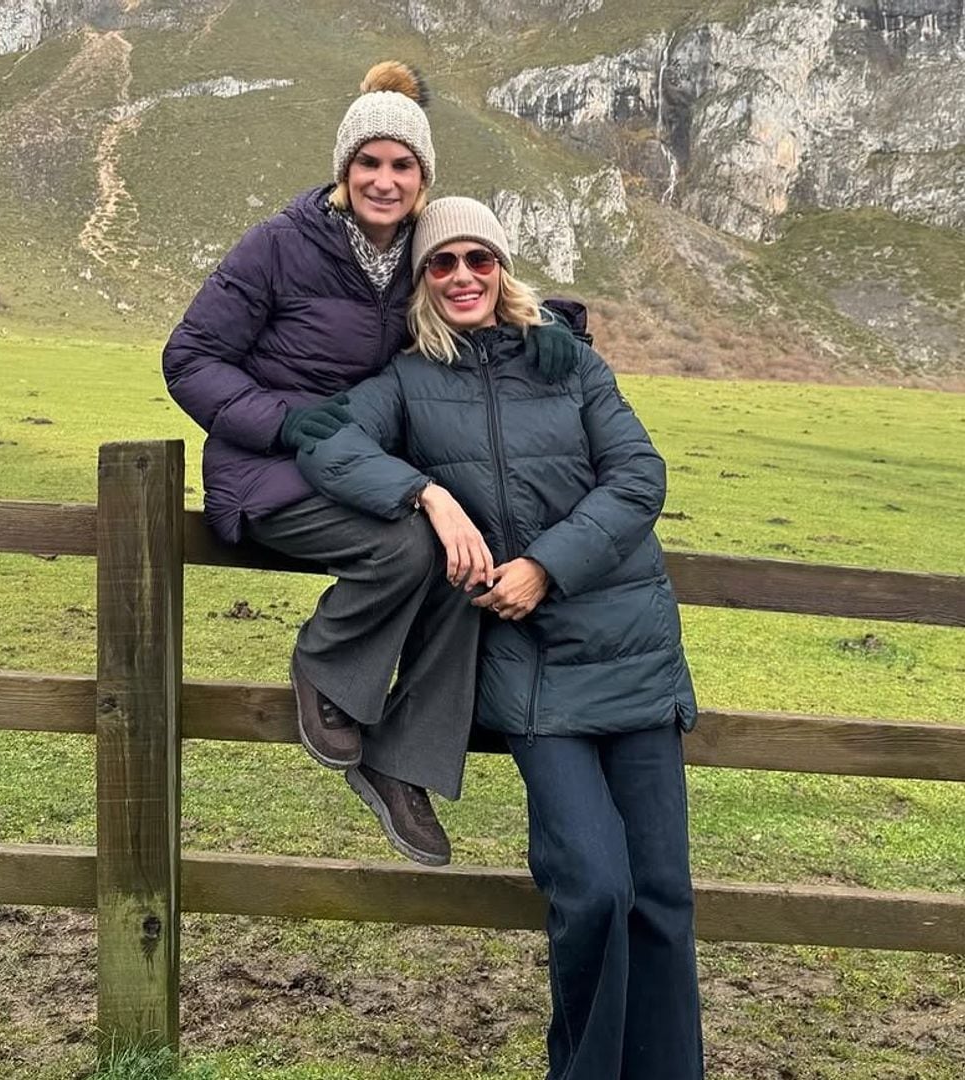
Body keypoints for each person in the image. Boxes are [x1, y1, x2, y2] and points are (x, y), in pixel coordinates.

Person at [294, 197, 704, 1079]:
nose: (463, 276)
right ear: (423, 283)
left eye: (479, 259)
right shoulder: (406, 381)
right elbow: (325, 441)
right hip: (528, 678)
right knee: (593, 888)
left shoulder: (571, 364)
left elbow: (639, 476)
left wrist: (548, 565)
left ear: (503, 268)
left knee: (661, 897)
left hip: (631, 654)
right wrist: (426, 496)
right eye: (441, 264)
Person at [163, 64, 577, 868]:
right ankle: (324, 666)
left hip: (366, 470)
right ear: (343, 170)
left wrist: (554, 325)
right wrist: (284, 421)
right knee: (411, 548)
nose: (384, 181)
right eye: (369, 163)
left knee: (469, 557)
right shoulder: (283, 245)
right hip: (273, 469)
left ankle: (402, 766)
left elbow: (472, 284)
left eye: (402, 166)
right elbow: (191, 357)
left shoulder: (418, 249)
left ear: (423, 179)